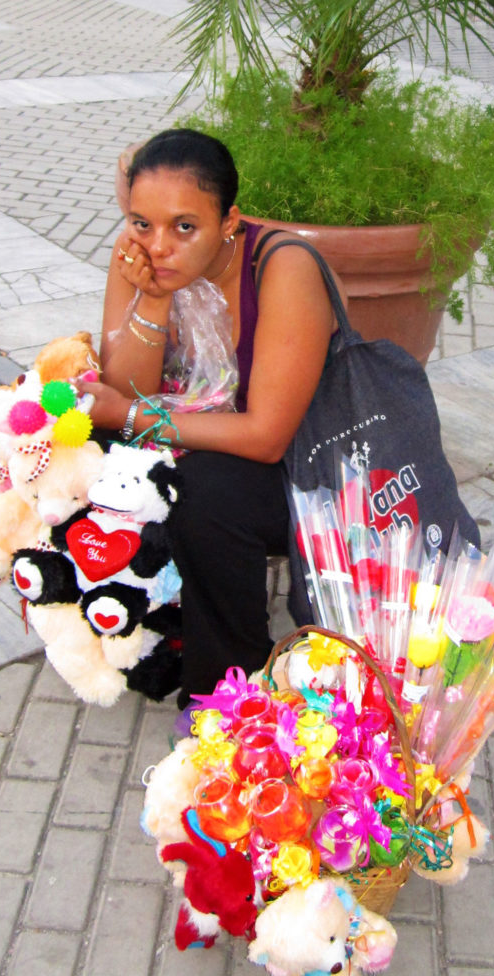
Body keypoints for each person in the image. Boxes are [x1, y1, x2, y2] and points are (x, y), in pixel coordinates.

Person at [77, 128, 339, 710]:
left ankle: (233, 690)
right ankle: (147, 620)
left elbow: (268, 437)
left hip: (310, 473)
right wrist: (153, 298)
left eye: (184, 226)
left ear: (229, 222)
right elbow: (124, 393)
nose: (159, 245)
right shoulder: (139, 258)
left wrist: (138, 420)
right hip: (205, 440)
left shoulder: (283, 266)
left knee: (203, 491)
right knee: (80, 444)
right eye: (143, 222)